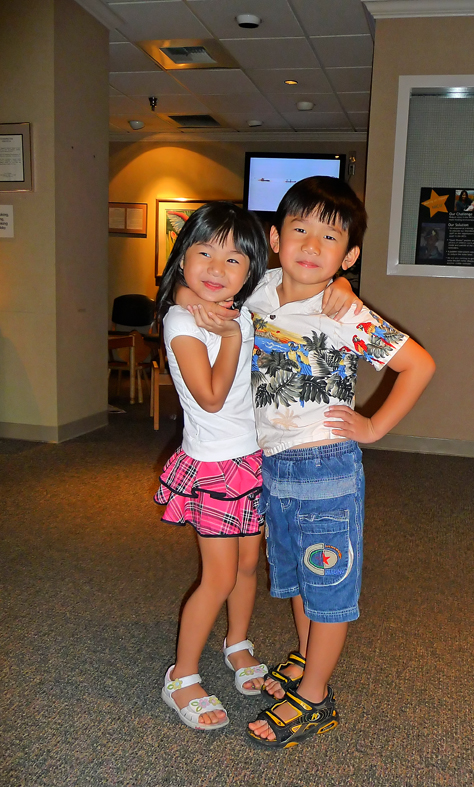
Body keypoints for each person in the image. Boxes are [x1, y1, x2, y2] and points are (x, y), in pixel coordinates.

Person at [156, 202, 363, 732]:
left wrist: (340, 287)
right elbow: (210, 394)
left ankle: (237, 644)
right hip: (214, 466)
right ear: (182, 258)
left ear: (252, 270)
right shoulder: (186, 316)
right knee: (219, 577)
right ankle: (181, 676)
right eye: (202, 253)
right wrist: (222, 332)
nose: (215, 269)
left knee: (249, 566)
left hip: (252, 460)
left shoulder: (241, 308)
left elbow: (295, 286)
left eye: (232, 260)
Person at [244, 176, 436, 748]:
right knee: (300, 580)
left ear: (347, 255)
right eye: (298, 230)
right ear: (275, 238)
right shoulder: (259, 289)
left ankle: (316, 698)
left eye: (328, 238)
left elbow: (418, 366)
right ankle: (309, 665)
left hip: (326, 470)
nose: (310, 245)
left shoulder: (343, 310)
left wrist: (373, 426)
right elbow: (206, 288)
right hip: (274, 468)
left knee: (328, 588)